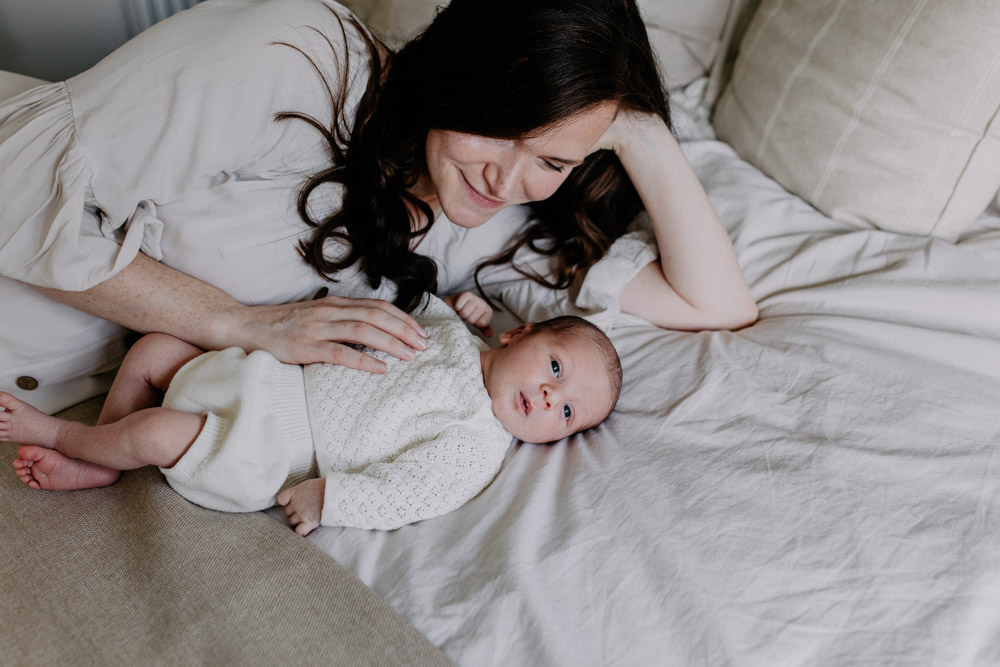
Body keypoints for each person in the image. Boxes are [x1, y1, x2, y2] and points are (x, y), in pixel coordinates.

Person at [0, 0, 756, 414]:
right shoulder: (299, 58)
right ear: (463, 71)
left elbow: (714, 301)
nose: (508, 177)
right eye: (502, 128)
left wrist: (635, 125)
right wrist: (236, 323)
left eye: (553, 160)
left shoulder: (485, 224)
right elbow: (16, 193)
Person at [1, 293, 622, 534]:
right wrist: (467, 310)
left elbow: (412, 492)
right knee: (153, 351)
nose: (547, 398)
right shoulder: (460, 337)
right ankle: (107, 452)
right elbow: (400, 309)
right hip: (267, 379)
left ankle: (68, 438)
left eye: (566, 412)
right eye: (556, 369)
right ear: (521, 336)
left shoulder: (477, 443)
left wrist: (334, 498)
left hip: (278, 451)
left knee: (158, 432)